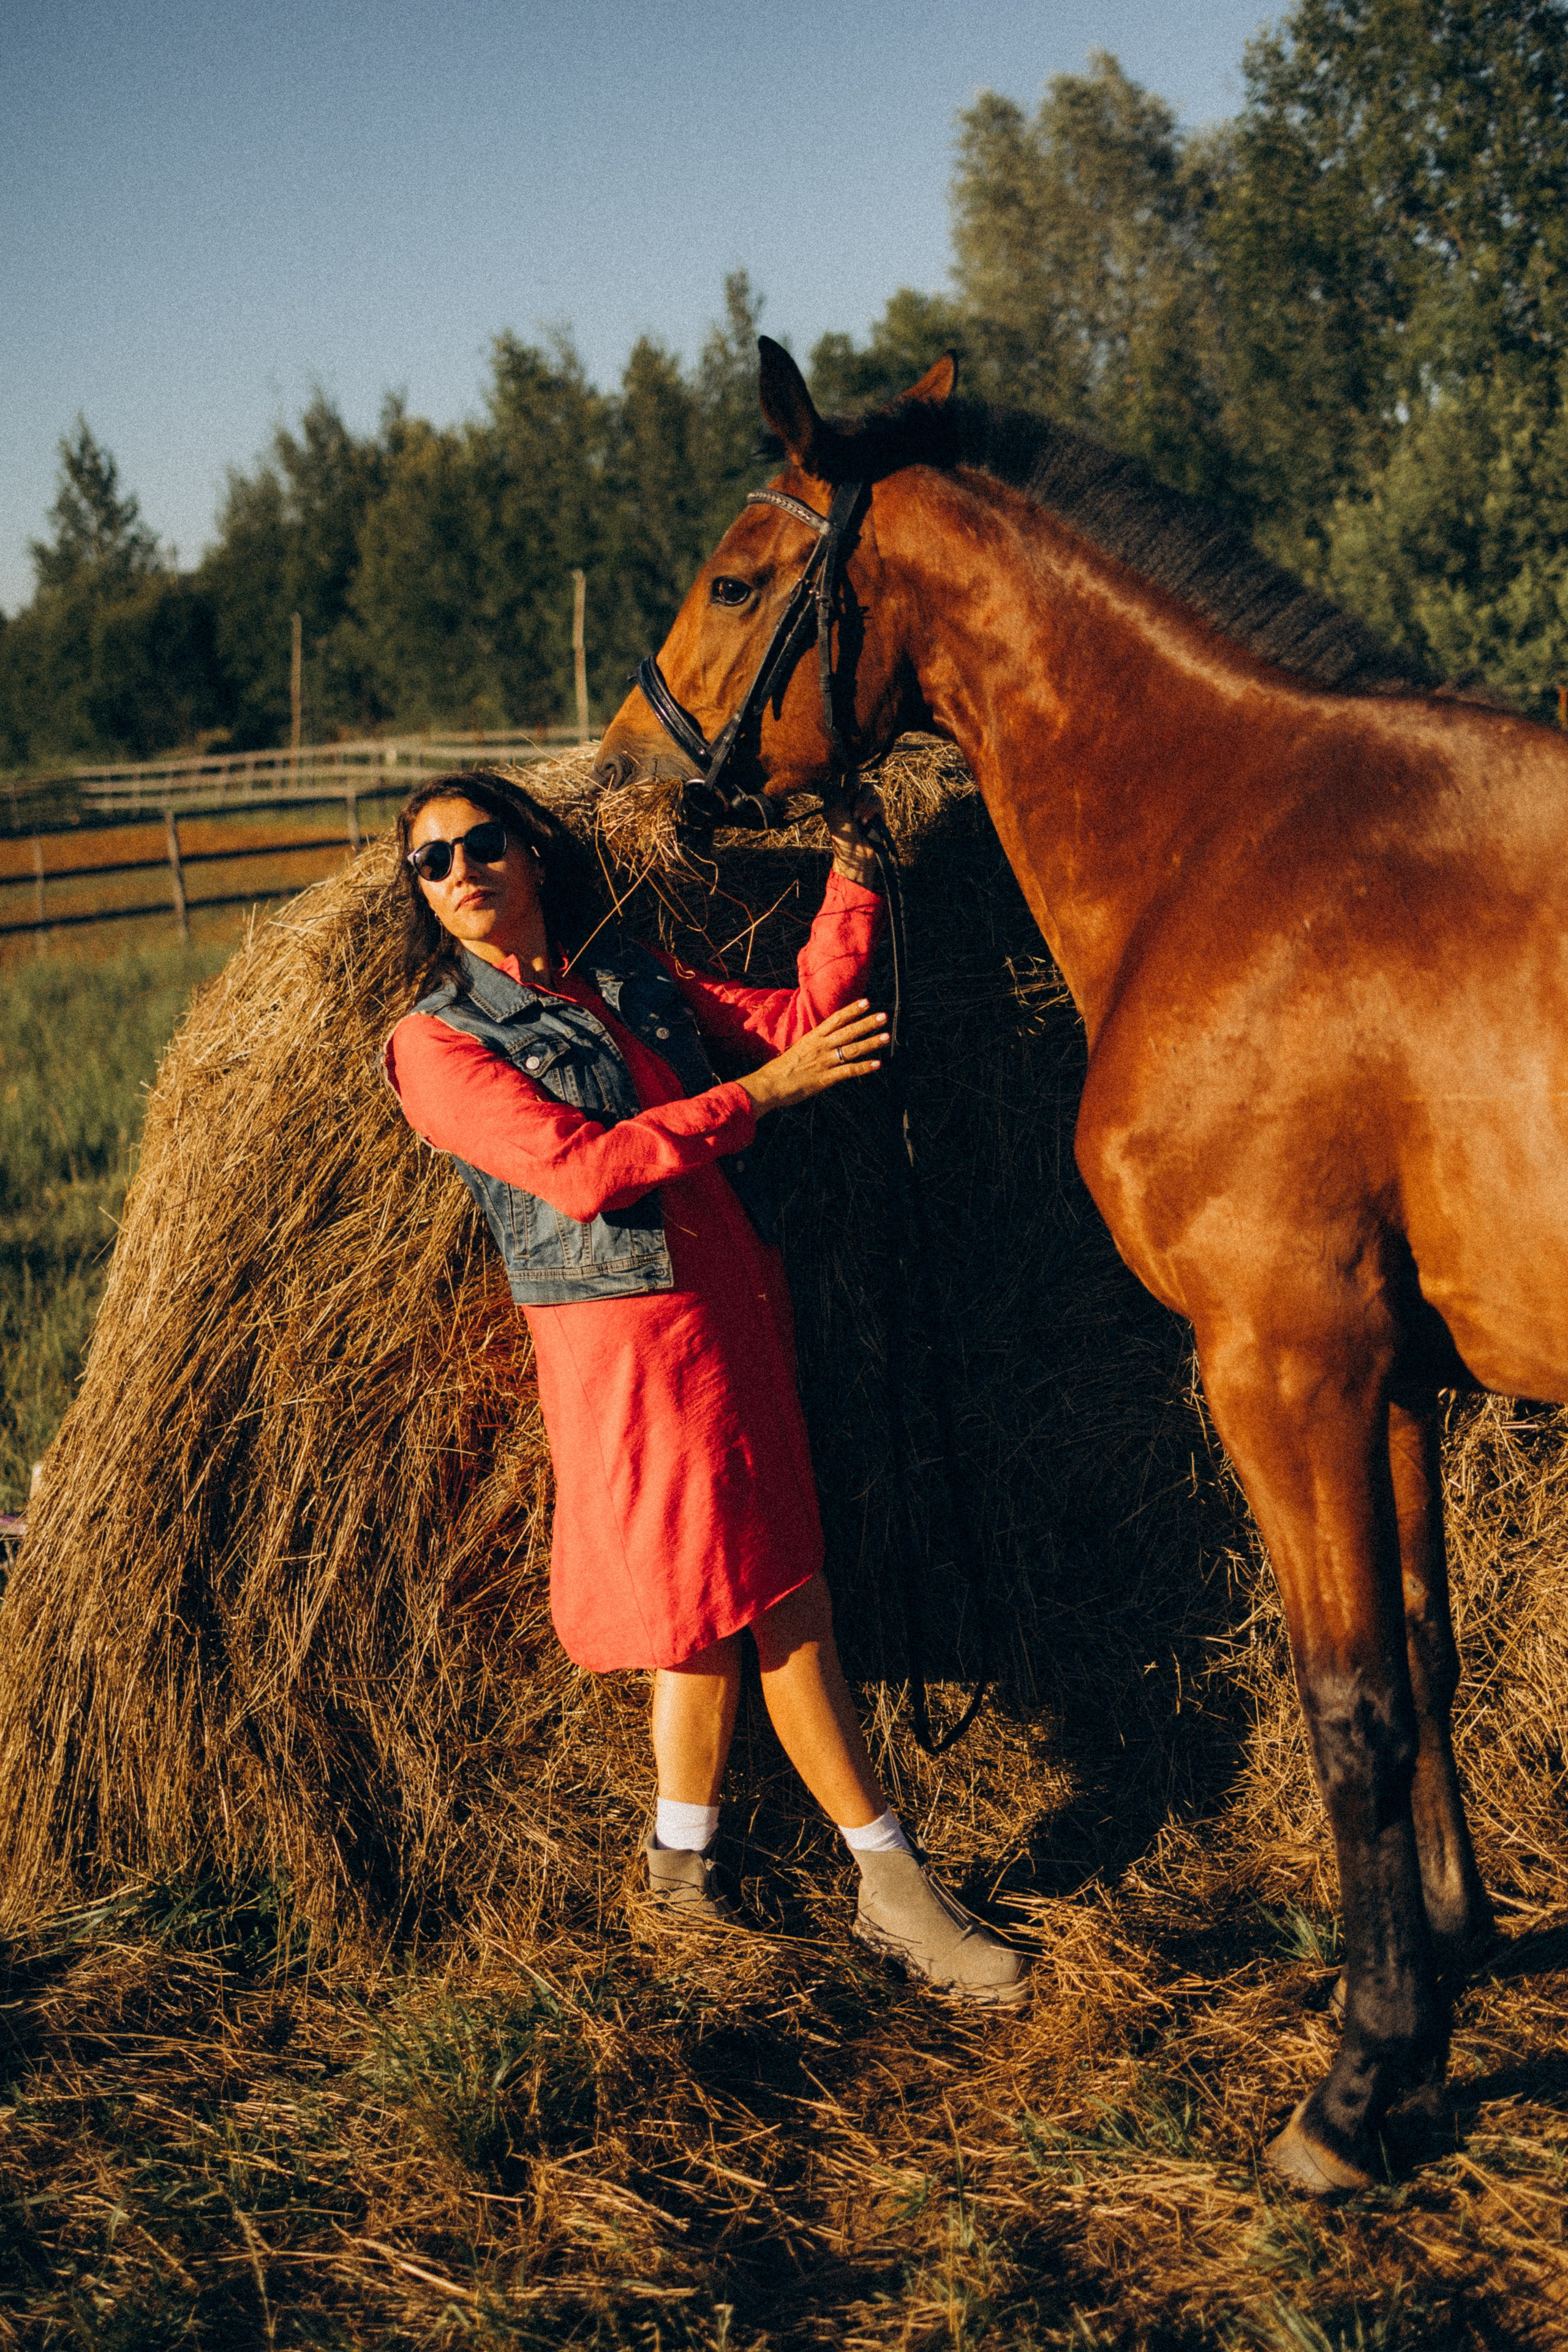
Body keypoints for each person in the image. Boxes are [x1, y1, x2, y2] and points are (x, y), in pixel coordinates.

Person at [383, 769, 1027, 2007]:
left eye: (483, 842)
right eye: (433, 861)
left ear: (531, 852)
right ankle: (890, 1883)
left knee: (712, 1598)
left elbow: (802, 1026)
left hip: (735, 1305)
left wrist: (852, 874)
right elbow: (582, 1172)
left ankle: (679, 1873)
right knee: (780, 1594)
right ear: (421, 892)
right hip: (632, 1341)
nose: (463, 870)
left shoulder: (625, 977)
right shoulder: (438, 1041)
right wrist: (759, 1100)